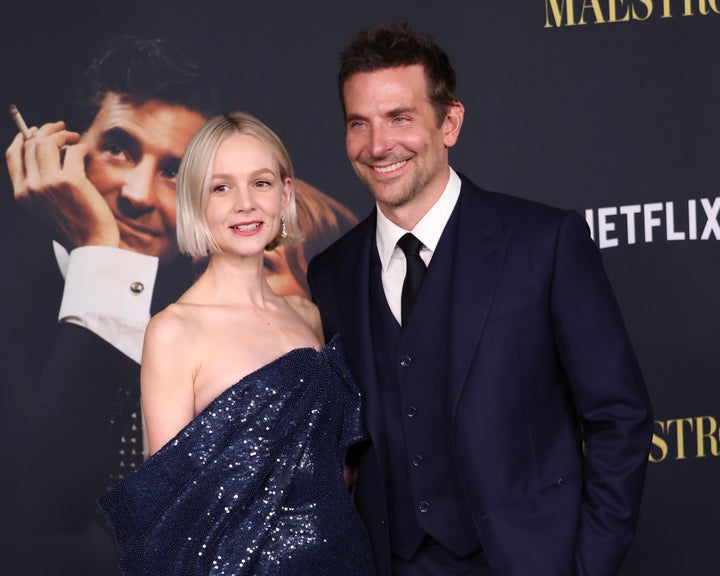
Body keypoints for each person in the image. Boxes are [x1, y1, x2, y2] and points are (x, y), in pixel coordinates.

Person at [307, 22, 654, 576]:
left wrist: (588, 567)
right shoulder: (330, 274)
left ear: (450, 122)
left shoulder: (544, 242)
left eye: (400, 118)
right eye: (359, 124)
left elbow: (619, 417)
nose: (378, 146)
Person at [1, 34, 342, 575]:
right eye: (119, 148)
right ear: (67, 150)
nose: (137, 193)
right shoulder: (16, 294)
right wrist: (99, 255)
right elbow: (30, 522)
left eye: (173, 170)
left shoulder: (224, 300)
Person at [97, 111, 376, 576]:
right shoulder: (174, 331)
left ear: (285, 194)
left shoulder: (308, 316)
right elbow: (171, 524)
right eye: (221, 187)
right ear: (194, 202)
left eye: (261, 183)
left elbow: (338, 468)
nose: (245, 204)